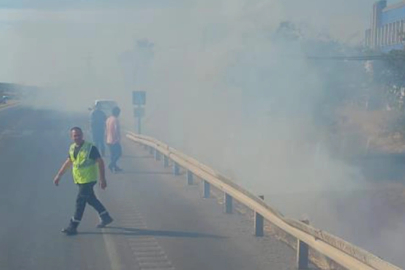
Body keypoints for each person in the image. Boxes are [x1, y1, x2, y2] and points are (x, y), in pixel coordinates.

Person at [53, 127, 113, 235]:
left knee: (80, 202)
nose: (77, 137)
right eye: (75, 136)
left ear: (82, 135)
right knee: (91, 199)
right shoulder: (72, 148)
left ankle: (73, 226)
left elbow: (100, 162)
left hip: (88, 180)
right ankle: (105, 216)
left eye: (79, 135)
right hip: (79, 180)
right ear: (71, 137)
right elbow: (69, 162)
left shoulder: (90, 148)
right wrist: (59, 175)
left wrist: (102, 179)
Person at [106, 106, 122, 173]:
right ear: (117, 113)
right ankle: (111, 165)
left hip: (108, 139)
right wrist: (118, 137)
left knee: (112, 154)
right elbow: (116, 129)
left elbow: (106, 129)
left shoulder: (108, 119)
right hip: (114, 140)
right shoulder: (115, 119)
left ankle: (115, 167)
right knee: (119, 153)